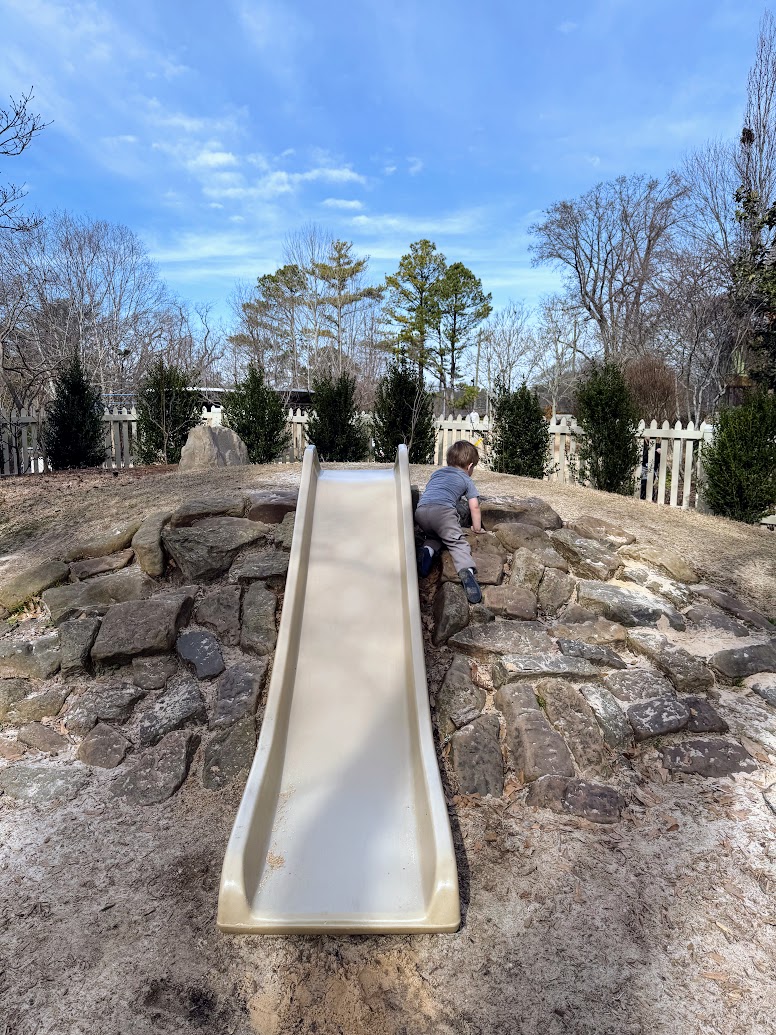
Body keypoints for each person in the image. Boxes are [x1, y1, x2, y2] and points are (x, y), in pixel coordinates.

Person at [415, 440, 484, 603]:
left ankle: (427, 552)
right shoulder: (467, 479)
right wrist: (477, 527)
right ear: (469, 466)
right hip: (443, 513)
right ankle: (466, 570)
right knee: (457, 543)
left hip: (421, 512)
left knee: (435, 536)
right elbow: (474, 507)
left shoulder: (437, 474)